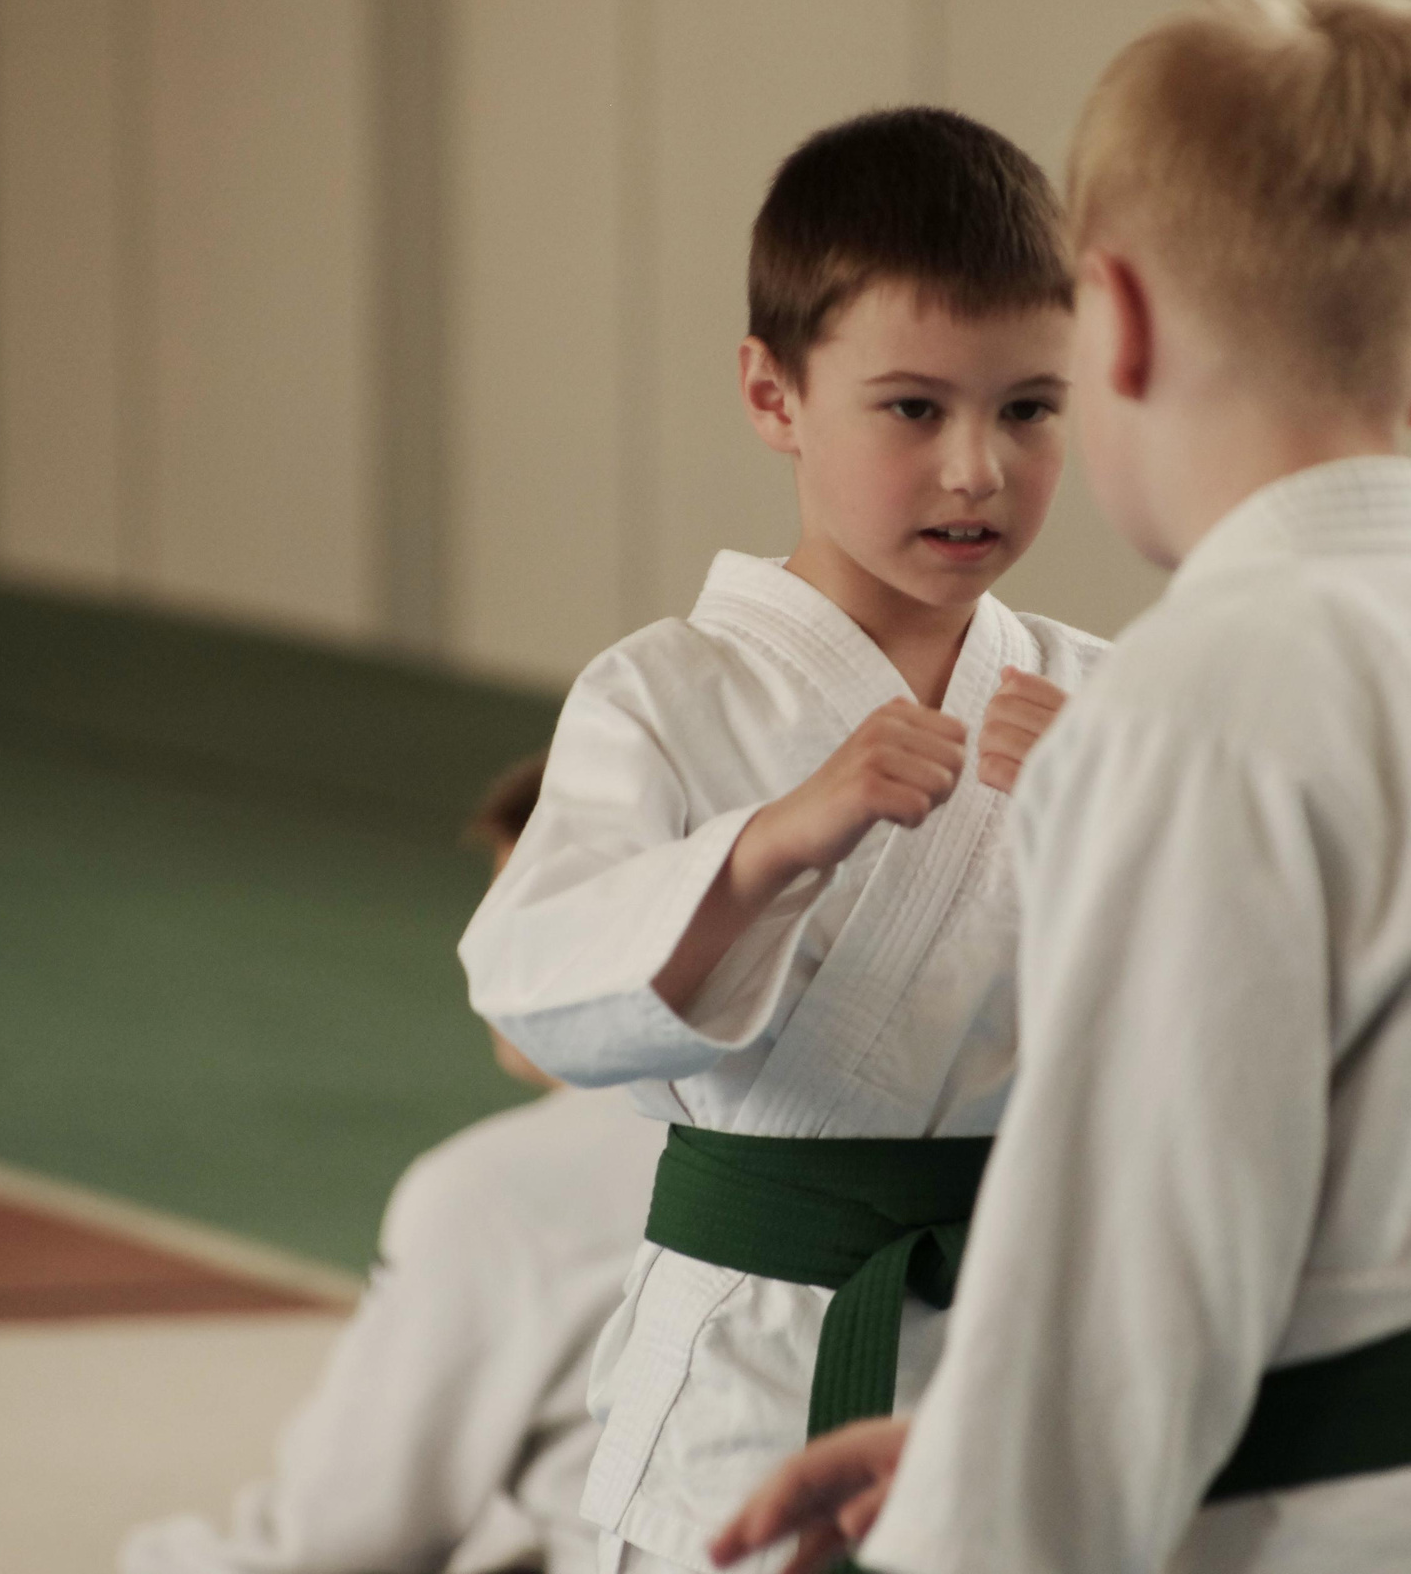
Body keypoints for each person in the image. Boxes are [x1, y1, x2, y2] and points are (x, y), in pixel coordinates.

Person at [714, 0, 1411, 1574]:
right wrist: (968, 1443)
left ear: (1115, 319)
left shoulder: (1192, 705)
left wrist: (967, 1526)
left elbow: (1137, 1270)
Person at [457, 108, 1103, 1574]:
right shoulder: (661, 695)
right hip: (746, 1370)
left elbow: (1228, 1037)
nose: (978, 470)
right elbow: (532, 987)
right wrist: (767, 844)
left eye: (1030, 409)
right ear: (774, 392)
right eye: (913, 408)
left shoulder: (1106, 704)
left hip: (1016, 1360)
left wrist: (1127, 839)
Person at [122, 755, 669, 1574]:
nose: (476, 947)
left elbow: (340, 1540)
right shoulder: (860, 1134)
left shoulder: (500, 1190)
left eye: (523, 909)